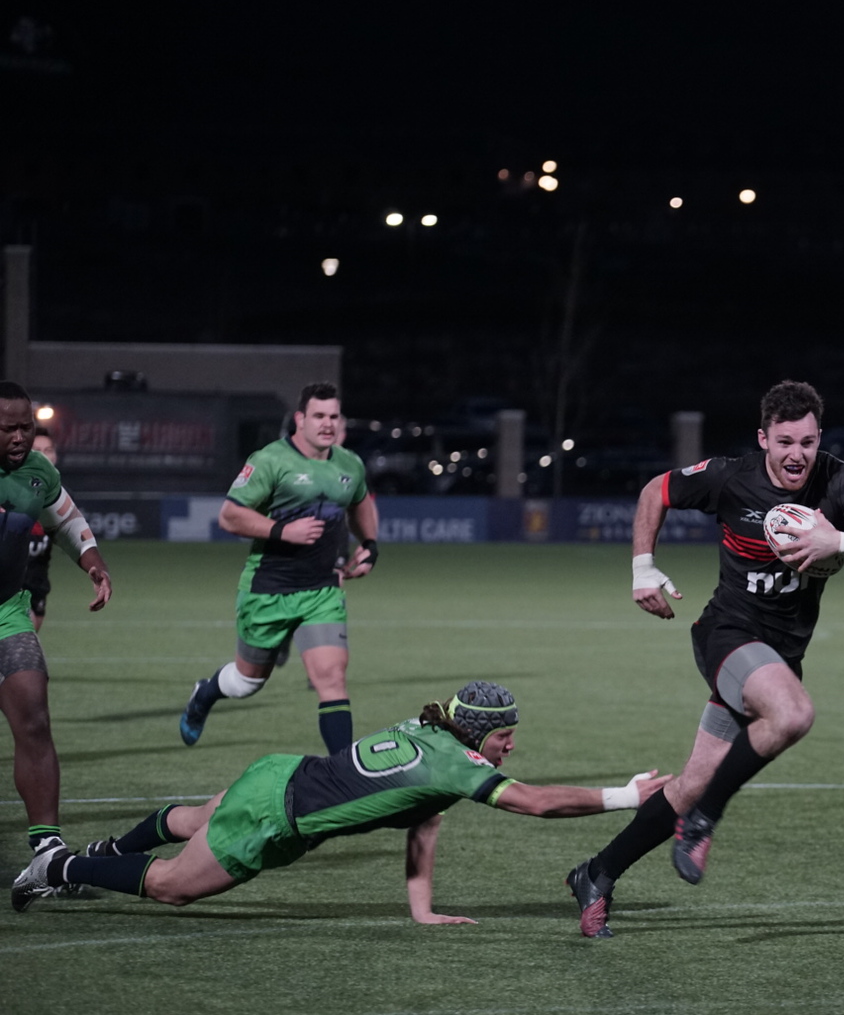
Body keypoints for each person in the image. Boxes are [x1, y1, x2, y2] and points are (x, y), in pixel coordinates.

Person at [566, 379, 844, 938]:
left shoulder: (840, 482)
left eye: (807, 442)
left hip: (779, 657)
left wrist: (841, 542)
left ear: (819, 438)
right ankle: (703, 822)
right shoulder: (731, 477)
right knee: (793, 714)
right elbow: (657, 490)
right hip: (727, 634)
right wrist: (642, 568)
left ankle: (597, 873)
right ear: (764, 439)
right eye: (785, 442)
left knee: (691, 784)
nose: (797, 454)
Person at [14, 681, 671, 916]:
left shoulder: (430, 729)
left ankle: (106, 851)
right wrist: (626, 794)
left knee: (188, 819)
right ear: (476, 733)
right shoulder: (457, 762)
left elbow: (424, 821)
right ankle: (60, 866)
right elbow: (536, 803)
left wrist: (422, 910)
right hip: (274, 817)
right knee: (170, 887)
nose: (511, 745)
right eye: (504, 736)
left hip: (278, 772)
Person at [179, 382, 379, 753]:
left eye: (333, 416)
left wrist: (369, 545)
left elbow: (361, 501)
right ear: (300, 419)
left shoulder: (349, 463)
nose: (327, 424)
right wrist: (282, 530)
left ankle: (343, 773)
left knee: (332, 679)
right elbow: (229, 516)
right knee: (247, 682)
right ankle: (205, 694)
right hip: (268, 589)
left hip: (322, 590)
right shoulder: (270, 460)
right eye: (318, 416)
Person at [0, 384, 113, 875]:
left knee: (34, 717)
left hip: (7, 612)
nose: (20, 437)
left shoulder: (38, 473)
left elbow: (68, 521)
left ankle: (47, 848)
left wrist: (94, 564)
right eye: (9, 428)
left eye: (26, 427)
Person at [22, 429, 58, 632]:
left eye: (48, 450)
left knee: (30, 639)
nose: (43, 456)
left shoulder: (59, 498)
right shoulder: (8, 490)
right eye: (36, 451)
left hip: (37, 585)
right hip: (9, 586)